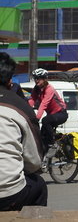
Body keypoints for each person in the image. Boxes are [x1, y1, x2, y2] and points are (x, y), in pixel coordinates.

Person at [0, 52, 48, 211]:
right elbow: (34, 163)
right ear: (9, 81)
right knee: (39, 185)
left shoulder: (46, 90)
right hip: (8, 194)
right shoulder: (20, 106)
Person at [28, 68, 68, 155]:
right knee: (41, 136)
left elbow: (43, 104)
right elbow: (31, 100)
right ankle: (44, 159)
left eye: (39, 78)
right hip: (52, 115)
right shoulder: (36, 89)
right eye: (35, 78)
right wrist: (25, 111)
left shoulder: (49, 89)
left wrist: (37, 118)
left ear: (45, 79)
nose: (36, 80)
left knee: (45, 120)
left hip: (61, 114)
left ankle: (53, 144)